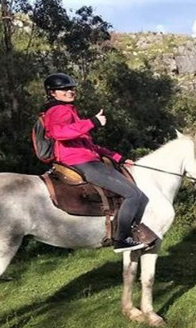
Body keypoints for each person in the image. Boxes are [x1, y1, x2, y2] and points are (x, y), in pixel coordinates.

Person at [42, 72, 156, 253]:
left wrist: (119, 158)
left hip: (89, 159)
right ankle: (121, 239)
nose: (70, 91)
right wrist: (92, 122)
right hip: (80, 162)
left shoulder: (70, 110)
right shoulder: (58, 110)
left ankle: (133, 231)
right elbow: (59, 133)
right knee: (133, 196)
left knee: (141, 196)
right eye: (64, 89)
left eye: (71, 88)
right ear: (52, 93)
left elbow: (90, 146)